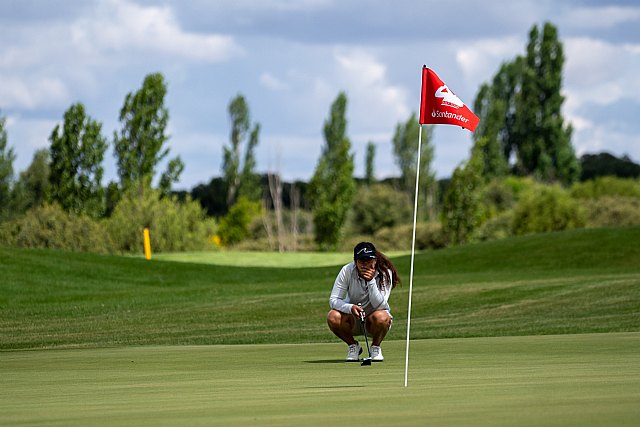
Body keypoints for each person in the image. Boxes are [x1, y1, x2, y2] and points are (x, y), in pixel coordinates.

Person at [327, 241, 400, 362]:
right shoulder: (347, 270)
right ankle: (353, 346)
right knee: (333, 316)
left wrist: (371, 281)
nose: (365, 264)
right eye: (361, 261)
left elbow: (381, 305)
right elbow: (333, 300)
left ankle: (375, 347)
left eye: (369, 260)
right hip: (353, 320)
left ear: (375, 260)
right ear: (355, 262)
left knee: (382, 316)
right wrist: (350, 308)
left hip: (375, 322)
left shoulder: (385, 273)